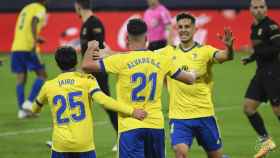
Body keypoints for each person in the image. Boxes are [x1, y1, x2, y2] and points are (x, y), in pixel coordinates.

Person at [81, 19, 197, 158]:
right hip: (155, 126)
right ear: (147, 38)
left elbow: (86, 65)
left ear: (126, 38)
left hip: (130, 126)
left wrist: (91, 46)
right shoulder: (162, 60)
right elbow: (189, 79)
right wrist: (194, 72)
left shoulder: (120, 60)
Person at [23, 46, 147, 158]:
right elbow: (104, 101)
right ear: (76, 62)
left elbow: (34, 109)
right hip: (84, 144)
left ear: (57, 64)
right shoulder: (87, 81)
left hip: (61, 145)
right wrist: (132, 111)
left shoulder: (48, 86)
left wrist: (33, 110)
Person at [158, 12, 234, 158]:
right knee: (180, 153)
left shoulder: (205, 51)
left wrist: (229, 48)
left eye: (187, 26)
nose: (183, 30)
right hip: (179, 117)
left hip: (204, 114)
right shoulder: (168, 52)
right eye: (180, 27)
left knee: (216, 156)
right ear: (176, 30)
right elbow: (145, 56)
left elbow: (226, 56)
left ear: (194, 29)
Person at [74, 0, 119, 151]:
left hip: (97, 71)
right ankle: (71, 140)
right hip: (89, 71)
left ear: (78, 6)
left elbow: (98, 50)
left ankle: (122, 136)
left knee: (107, 104)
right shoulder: (87, 24)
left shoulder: (94, 23)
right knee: (78, 104)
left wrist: (85, 69)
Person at [241, 0, 280, 157]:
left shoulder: (271, 26)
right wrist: (250, 58)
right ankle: (267, 142)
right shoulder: (254, 26)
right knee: (248, 108)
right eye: (255, 7)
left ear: (266, 9)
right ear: (250, 9)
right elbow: (260, 50)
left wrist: (253, 51)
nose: (258, 10)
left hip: (274, 73)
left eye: (261, 7)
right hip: (261, 73)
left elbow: (277, 48)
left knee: (277, 111)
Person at [10, 0, 48, 119]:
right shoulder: (40, 8)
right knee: (42, 75)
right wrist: (35, 39)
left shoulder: (25, 9)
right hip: (29, 47)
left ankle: (22, 111)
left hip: (17, 47)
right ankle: (29, 103)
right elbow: (34, 21)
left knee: (21, 79)